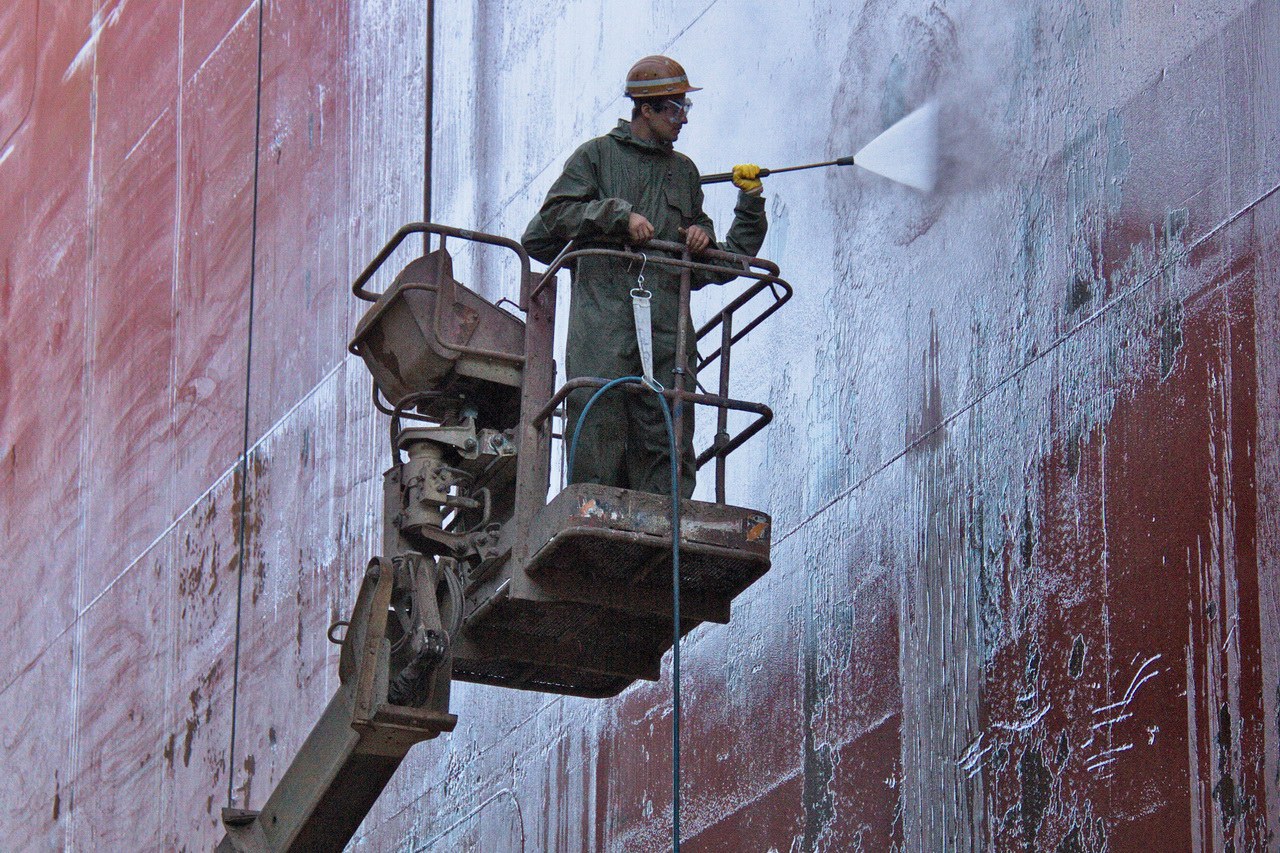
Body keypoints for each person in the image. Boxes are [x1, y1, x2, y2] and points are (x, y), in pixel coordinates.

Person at [522, 55, 768, 498]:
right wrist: (618, 217)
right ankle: (591, 526)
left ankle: (664, 528)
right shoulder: (597, 157)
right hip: (605, 334)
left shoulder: (684, 172)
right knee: (599, 428)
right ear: (645, 109)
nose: (683, 120)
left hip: (667, 337)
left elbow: (716, 264)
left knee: (667, 441)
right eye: (675, 108)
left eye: (685, 109)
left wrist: (716, 225)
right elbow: (550, 221)